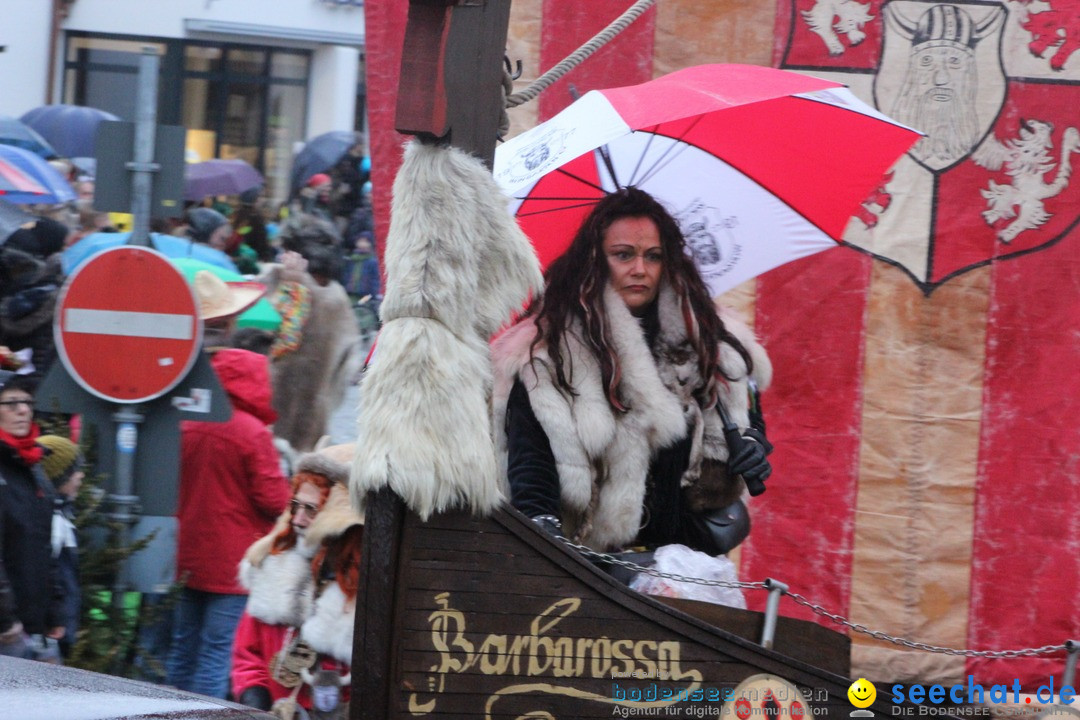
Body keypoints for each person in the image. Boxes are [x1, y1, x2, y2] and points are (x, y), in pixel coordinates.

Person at [492, 187, 774, 556]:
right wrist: (547, 544)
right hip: (586, 563)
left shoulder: (712, 344)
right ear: (595, 259)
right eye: (623, 255)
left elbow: (748, 411)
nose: (640, 269)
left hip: (683, 559)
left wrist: (749, 444)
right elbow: (532, 464)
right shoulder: (549, 355)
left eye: (653, 256)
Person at [165, 348, 291, 698]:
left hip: (184, 556)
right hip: (232, 564)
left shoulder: (185, 422)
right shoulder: (251, 432)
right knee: (217, 655)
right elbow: (275, 500)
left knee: (182, 650)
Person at [231, 452, 362, 717]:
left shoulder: (363, 589)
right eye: (295, 506)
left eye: (311, 510)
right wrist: (254, 697)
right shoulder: (274, 570)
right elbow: (247, 654)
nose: (298, 519)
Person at [0, 371, 65, 661]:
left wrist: (53, 612)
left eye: (26, 401)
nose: (23, 409)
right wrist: (4, 619)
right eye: (11, 403)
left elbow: (43, 546)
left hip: (30, 625)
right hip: (8, 630)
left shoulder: (33, 467)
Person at [36, 434, 85, 658]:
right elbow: (51, 577)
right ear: (59, 477)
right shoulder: (53, 523)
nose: (81, 476)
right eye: (75, 470)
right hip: (49, 635)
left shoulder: (62, 516)